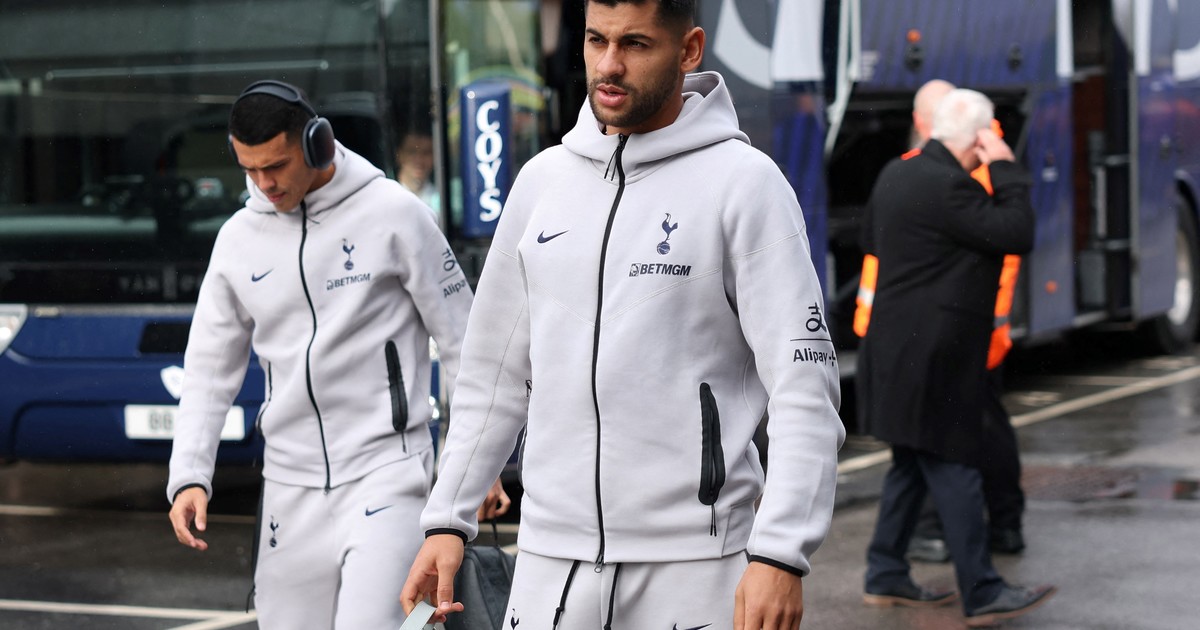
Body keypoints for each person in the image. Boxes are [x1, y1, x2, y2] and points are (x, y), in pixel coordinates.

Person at [400, 1, 845, 629]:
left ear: (689, 50)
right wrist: (448, 518)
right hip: (550, 560)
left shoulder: (746, 184)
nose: (608, 64)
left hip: (697, 564)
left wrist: (780, 553)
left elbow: (805, 387)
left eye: (635, 43)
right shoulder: (541, 182)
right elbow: (492, 376)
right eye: (596, 40)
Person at [165, 79, 506, 629]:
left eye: (276, 165)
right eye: (250, 169)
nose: (264, 183)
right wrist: (188, 475)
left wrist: (473, 468)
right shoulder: (236, 240)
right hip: (287, 487)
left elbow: (467, 346)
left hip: (389, 474)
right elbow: (208, 368)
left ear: (317, 144)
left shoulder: (396, 213)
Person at [856, 88, 1055, 627]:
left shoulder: (897, 173)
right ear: (980, 138)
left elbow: (871, 238)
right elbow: (1018, 231)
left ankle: (885, 572)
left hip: (894, 350)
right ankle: (983, 590)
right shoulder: (949, 185)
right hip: (935, 359)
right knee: (956, 465)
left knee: (910, 466)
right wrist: (1006, 168)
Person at [395, 126, 440, 212]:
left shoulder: (442, 200)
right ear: (400, 155)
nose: (419, 160)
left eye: (426, 152)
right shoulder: (388, 196)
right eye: (412, 152)